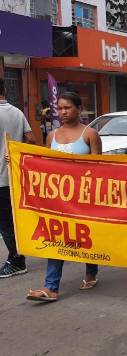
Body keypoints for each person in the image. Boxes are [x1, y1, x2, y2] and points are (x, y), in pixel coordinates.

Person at [26, 92, 102, 301]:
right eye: (59, 108)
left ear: (79, 108)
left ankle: (91, 272)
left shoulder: (90, 134)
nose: (63, 112)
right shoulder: (51, 136)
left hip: (84, 198)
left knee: (86, 238)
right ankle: (51, 287)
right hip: (57, 200)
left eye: (67, 107)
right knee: (56, 239)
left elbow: (100, 169)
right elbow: (42, 164)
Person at [0, 78, 35, 278]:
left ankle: (16, 260)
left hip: (1, 179)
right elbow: (31, 140)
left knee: (5, 223)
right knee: (10, 220)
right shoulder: (17, 112)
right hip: (13, 176)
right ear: (4, 89)